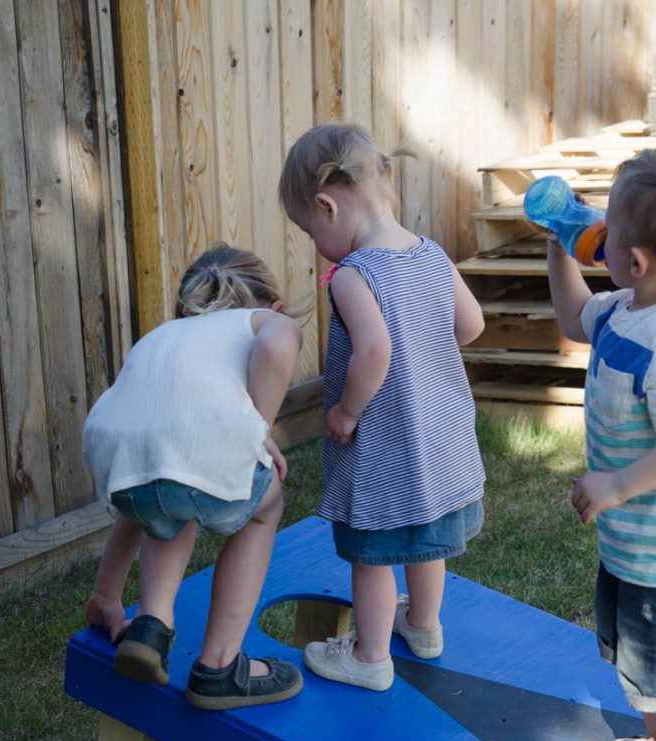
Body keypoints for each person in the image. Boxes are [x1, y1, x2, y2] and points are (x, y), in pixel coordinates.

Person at [278, 122, 486, 691]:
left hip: (386, 447)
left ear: (327, 206)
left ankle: (369, 657)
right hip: (440, 439)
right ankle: (423, 626)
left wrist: (346, 412)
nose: (312, 240)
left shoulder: (353, 275)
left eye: (307, 228)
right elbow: (471, 326)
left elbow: (373, 351)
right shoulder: (432, 255)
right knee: (425, 536)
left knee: (372, 550)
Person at [82, 243, 304, 710]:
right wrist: (256, 428)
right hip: (178, 453)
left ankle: (150, 624)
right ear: (271, 303)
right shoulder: (266, 321)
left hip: (116, 456)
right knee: (265, 510)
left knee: (166, 499)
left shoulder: (164, 336)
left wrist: (105, 593)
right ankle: (219, 667)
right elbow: (281, 342)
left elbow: (137, 506)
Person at [546, 150, 656, 741]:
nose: (596, 236)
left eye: (604, 232)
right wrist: (560, 246)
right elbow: (568, 316)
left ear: (636, 260)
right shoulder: (617, 309)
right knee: (639, 669)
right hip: (628, 549)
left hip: (655, 557)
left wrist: (616, 485)